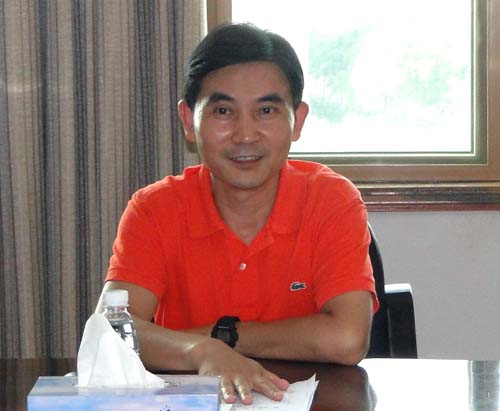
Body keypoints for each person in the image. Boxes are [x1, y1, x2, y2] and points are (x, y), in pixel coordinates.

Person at [96, 22, 378, 405]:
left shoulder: (331, 200)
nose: (245, 134)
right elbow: (111, 334)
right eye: (223, 111)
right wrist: (200, 351)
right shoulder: (155, 209)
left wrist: (221, 336)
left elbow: (347, 339)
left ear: (298, 120)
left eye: (266, 110)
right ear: (188, 121)